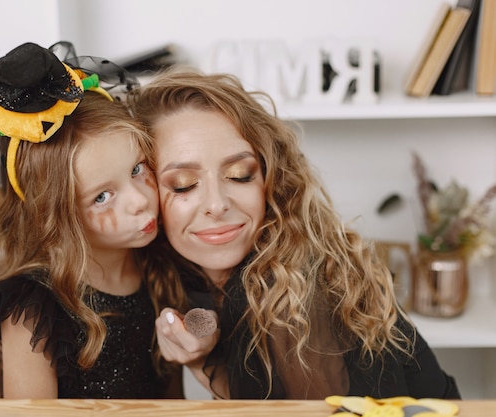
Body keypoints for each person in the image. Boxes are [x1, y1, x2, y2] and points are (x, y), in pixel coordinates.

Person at [128, 67, 461, 400]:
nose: (216, 204)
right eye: (183, 185)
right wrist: (200, 357)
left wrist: (199, 362)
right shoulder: (176, 271)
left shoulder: (296, 291)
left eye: (240, 175)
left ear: (270, 179)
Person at [0, 42, 184, 399]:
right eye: (102, 196)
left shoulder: (158, 262)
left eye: (136, 169)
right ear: (55, 216)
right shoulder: (32, 309)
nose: (140, 201)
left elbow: (172, 399)